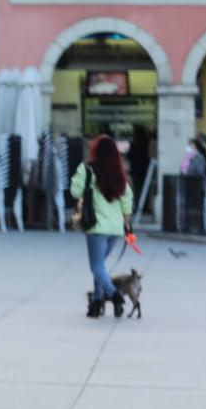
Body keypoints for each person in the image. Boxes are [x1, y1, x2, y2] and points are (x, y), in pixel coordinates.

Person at [70, 135, 134, 318]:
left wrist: (81, 175)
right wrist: (127, 227)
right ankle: (96, 303)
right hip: (115, 229)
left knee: (96, 267)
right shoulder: (119, 172)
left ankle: (114, 295)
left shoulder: (87, 169)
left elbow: (75, 191)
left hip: (96, 228)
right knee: (101, 266)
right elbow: (126, 202)